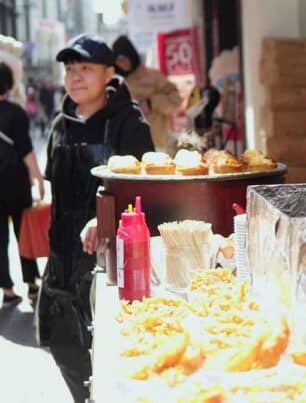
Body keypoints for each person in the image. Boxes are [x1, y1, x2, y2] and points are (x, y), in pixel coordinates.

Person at [37, 34, 153, 402]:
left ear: (108, 73)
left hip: (111, 261)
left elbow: (145, 192)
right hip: (63, 262)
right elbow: (56, 194)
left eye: (85, 68)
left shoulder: (129, 123)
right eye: (70, 69)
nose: (75, 76)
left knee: (114, 355)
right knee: (65, 347)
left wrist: (103, 219)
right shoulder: (59, 124)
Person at [0, 62, 44, 305]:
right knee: (23, 233)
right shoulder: (16, 113)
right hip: (16, 184)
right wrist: (37, 178)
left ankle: (6, 289)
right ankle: (31, 284)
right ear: (8, 84)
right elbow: (26, 150)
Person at [112, 35, 183, 152]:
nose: (122, 64)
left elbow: (176, 99)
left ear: (131, 55)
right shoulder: (116, 83)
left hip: (156, 142)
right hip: (127, 144)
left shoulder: (153, 77)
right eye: (118, 61)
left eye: (124, 59)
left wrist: (151, 103)